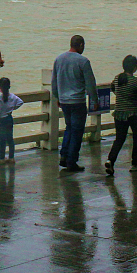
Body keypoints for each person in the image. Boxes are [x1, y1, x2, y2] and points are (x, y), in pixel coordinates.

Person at [51, 34, 97, 172]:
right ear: (81, 45)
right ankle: (72, 161)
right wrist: (94, 100)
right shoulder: (83, 61)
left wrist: (58, 97)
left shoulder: (58, 60)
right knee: (77, 131)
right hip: (77, 101)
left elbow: (54, 83)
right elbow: (90, 84)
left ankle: (64, 156)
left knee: (69, 128)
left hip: (64, 101)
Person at [105, 55, 137, 175]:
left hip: (119, 113)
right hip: (134, 113)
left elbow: (113, 87)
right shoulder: (136, 81)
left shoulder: (117, 78)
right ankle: (135, 163)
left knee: (119, 139)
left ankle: (110, 160)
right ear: (134, 68)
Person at [0, 77, 23, 164]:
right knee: (10, 138)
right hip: (9, 118)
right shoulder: (13, 97)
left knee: (2, 139)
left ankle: (1, 158)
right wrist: (12, 108)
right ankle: (11, 157)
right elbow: (20, 102)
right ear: (9, 86)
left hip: (1, 120)